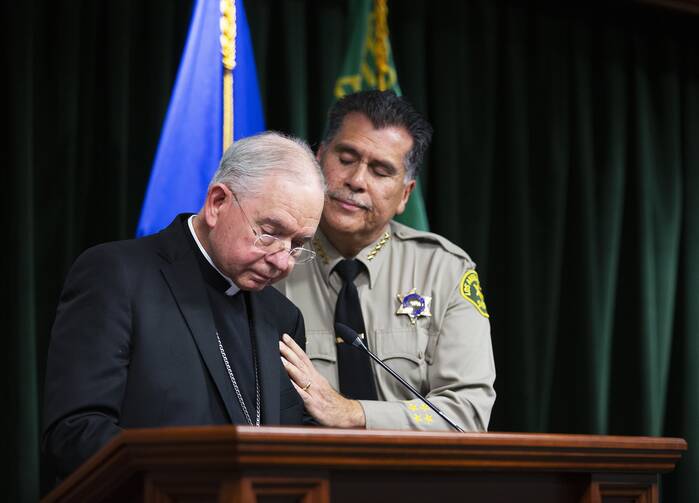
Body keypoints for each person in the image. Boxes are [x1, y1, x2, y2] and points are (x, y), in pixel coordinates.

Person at [43, 132, 325, 477]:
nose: (284, 263)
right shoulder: (118, 275)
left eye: (297, 244)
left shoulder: (282, 317)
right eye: (270, 232)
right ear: (217, 203)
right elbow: (75, 433)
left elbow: (293, 446)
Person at [276, 90, 496, 431]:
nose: (357, 180)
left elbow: (467, 413)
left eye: (380, 171)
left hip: (409, 478)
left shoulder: (443, 270)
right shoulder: (271, 259)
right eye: (346, 159)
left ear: (405, 194)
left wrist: (353, 413)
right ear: (318, 159)